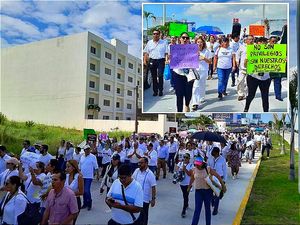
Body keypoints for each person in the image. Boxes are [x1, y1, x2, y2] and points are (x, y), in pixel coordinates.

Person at [189, 156, 226, 225]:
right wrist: (189, 187)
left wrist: (223, 186)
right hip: (198, 192)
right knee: (197, 210)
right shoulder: (194, 169)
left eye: (198, 164)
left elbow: (218, 176)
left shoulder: (208, 169)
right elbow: (192, 178)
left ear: (202, 163)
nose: (197, 165)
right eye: (196, 164)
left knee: (207, 210)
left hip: (207, 192)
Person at [172, 32, 195, 112]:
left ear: (189, 40)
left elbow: (194, 62)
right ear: (180, 39)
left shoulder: (192, 49)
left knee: (188, 94)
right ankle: (179, 111)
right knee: (179, 95)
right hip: (178, 74)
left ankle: (187, 104)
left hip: (189, 74)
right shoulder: (175, 48)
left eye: (187, 38)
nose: (185, 39)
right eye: (183, 37)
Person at [143, 29, 168, 96]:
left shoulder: (164, 42)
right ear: (152, 35)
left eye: (157, 34)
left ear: (159, 35)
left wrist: (166, 60)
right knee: (153, 77)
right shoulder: (149, 43)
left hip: (161, 60)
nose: (155, 35)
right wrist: (144, 60)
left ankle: (160, 90)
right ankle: (155, 91)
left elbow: (166, 53)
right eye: (154, 34)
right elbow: (146, 52)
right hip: (152, 60)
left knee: (160, 75)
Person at [133, 157, 156, 225]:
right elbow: (132, 181)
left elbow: (153, 187)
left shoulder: (150, 174)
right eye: (139, 162)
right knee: (135, 216)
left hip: (144, 199)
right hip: (135, 198)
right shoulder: (136, 171)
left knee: (144, 217)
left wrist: (153, 199)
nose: (139, 164)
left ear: (146, 163)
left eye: (141, 163)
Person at [191, 36, 212, 111]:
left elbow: (210, 62)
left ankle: (202, 97)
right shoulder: (193, 50)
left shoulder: (207, 51)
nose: (199, 44)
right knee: (196, 86)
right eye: (198, 42)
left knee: (202, 85)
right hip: (195, 71)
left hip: (204, 70)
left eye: (201, 42)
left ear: (203, 43)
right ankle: (195, 103)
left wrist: (204, 58)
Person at [207, 147, 227, 216]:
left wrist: (224, 181)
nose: (212, 154)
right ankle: (212, 201)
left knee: (217, 194)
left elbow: (224, 170)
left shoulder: (222, 159)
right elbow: (207, 167)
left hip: (219, 178)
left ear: (217, 153)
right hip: (211, 177)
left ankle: (215, 209)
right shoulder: (210, 158)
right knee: (210, 193)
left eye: (214, 153)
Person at [79, 145, 99, 210]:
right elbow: (79, 166)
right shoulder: (82, 157)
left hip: (89, 176)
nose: (87, 150)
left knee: (87, 190)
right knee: (83, 191)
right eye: (86, 149)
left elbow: (96, 166)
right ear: (84, 150)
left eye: (88, 149)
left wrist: (97, 175)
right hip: (82, 176)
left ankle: (89, 203)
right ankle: (85, 203)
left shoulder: (93, 157)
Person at [65, 160, 84, 225]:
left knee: (72, 222)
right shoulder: (66, 176)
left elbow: (81, 192)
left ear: (73, 167)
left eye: (68, 167)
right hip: (65, 201)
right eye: (66, 167)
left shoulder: (79, 177)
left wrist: (70, 193)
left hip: (75, 201)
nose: (66, 168)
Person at [235, 35, 254, 101]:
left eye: (252, 39)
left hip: (251, 68)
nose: (251, 41)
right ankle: (240, 94)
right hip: (242, 68)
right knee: (240, 81)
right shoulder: (242, 47)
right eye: (249, 39)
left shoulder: (256, 47)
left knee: (249, 83)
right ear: (246, 40)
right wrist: (237, 61)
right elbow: (237, 54)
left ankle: (246, 94)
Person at [175, 153, 193, 218]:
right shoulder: (180, 163)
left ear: (189, 159)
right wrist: (179, 169)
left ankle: (184, 210)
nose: (185, 158)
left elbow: (190, 174)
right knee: (185, 195)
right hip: (182, 183)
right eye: (184, 157)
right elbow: (176, 171)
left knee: (185, 195)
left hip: (188, 184)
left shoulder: (191, 165)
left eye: (187, 157)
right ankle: (186, 204)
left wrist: (184, 169)